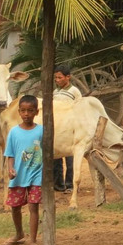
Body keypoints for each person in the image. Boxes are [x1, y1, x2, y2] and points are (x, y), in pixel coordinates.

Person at [2, 94, 43, 245]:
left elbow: (46, 151)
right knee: (15, 206)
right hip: (18, 175)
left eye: (30, 111)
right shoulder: (14, 132)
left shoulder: (41, 131)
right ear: (19, 111)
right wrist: (10, 169)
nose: (27, 114)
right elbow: (10, 154)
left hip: (36, 175)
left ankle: (32, 240)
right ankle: (19, 233)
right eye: (23, 111)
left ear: (36, 112)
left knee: (33, 207)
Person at [52, 64, 82, 192]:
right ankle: (58, 185)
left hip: (70, 128)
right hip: (58, 129)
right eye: (55, 78)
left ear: (68, 77)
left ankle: (70, 185)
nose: (57, 80)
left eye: (59, 77)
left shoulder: (74, 91)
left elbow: (80, 108)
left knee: (70, 159)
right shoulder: (55, 92)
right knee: (56, 159)